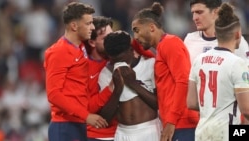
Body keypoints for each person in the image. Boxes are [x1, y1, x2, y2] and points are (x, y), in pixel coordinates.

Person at [131, 2, 199, 141]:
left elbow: (183, 82)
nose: (136, 36)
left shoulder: (170, 43)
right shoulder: (161, 48)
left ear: (151, 27)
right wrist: (129, 40)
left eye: (136, 30)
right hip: (175, 122)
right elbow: (141, 49)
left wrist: (171, 121)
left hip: (182, 122)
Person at [43, 2, 108, 141]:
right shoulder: (59, 52)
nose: (92, 27)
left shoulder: (80, 47)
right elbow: (54, 94)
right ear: (74, 26)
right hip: (64, 125)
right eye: (88, 23)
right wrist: (86, 115)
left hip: (78, 123)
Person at [187, 3, 249, 141]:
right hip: (227, 131)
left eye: (199, 12)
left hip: (202, 131)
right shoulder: (237, 63)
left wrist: (210, 105)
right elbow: (246, 109)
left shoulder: (199, 60)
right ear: (238, 34)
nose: (195, 17)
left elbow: (191, 102)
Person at [99, 30, 161, 141]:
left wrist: (133, 84)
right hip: (122, 133)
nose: (117, 63)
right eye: (113, 60)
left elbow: (159, 104)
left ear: (131, 51)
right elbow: (105, 119)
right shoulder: (106, 73)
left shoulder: (150, 64)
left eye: (121, 59)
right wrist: (117, 90)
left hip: (150, 130)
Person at [184, 0, 249, 64]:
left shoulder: (235, 41)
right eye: (193, 13)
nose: (194, 18)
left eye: (199, 12)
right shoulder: (189, 40)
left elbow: (245, 71)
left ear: (216, 12)